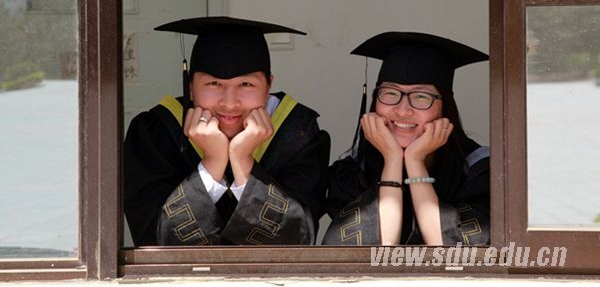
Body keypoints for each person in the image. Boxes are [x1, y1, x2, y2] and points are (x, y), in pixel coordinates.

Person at [124, 16, 330, 246]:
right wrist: (212, 163)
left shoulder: (299, 133)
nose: (229, 103)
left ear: (268, 86)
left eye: (246, 84)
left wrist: (243, 162)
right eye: (214, 84)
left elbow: (299, 240)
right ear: (190, 87)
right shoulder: (157, 132)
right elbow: (152, 239)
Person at [323, 32, 489, 246]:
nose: (403, 111)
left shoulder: (479, 172)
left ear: (444, 108)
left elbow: (451, 252)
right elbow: (377, 255)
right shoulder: (352, 173)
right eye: (390, 93)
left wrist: (415, 161)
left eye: (421, 96)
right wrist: (393, 159)